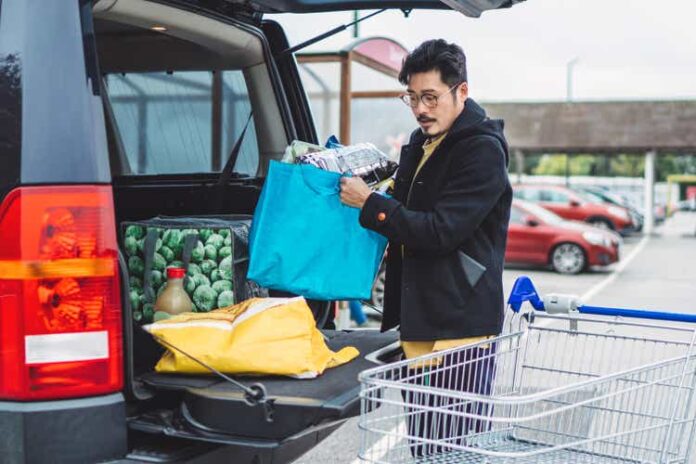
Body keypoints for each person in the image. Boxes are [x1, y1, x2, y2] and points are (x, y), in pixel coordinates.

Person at [339, 39, 512, 455]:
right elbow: (406, 209)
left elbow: (441, 231)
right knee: (425, 447)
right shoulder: (421, 143)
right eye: (412, 97)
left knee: (452, 450)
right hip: (420, 320)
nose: (421, 108)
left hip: (459, 329)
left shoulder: (482, 150)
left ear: (462, 92)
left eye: (431, 97)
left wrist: (371, 204)